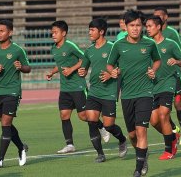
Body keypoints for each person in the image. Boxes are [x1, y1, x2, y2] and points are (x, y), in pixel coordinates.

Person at [106, 9, 161, 177]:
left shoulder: (149, 44)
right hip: (127, 95)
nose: (136, 28)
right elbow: (109, 64)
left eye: (138, 25)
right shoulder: (118, 45)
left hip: (145, 93)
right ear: (126, 27)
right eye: (132, 25)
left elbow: (157, 60)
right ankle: (142, 156)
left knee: (141, 131)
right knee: (132, 134)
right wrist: (113, 72)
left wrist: (153, 69)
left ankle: (138, 169)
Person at [45, 20, 109, 154]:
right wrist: (52, 72)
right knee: (64, 115)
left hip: (78, 86)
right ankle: (69, 144)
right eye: (52, 33)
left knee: (83, 116)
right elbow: (60, 63)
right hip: (65, 88)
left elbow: (83, 60)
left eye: (55, 32)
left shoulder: (70, 46)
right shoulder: (54, 48)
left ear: (64, 33)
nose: (53, 35)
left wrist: (71, 69)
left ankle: (101, 126)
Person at [0, 20, 31, 168]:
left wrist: (21, 67)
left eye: (2, 31)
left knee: (5, 123)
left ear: (10, 33)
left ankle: (0, 159)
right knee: (6, 125)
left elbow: (28, 68)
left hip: (13, 91)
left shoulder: (17, 50)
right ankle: (21, 147)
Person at [78, 18, 128, 163]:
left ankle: (122, 139)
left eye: (92, 30)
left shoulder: (113, 47)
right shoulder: (89, 50)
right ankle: (100, 154)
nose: (89, 33)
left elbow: (123, 66)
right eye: (89, 30)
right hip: (94, 92)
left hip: (109, 92)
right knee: (92, 121)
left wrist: (112, 73)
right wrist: (82, 71)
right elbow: (84, 67)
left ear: (101, 31)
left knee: (109, 125)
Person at [145, 15, 181, 160]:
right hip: (153, 86)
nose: (147, 29)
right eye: (147, 26)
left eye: (150, 26)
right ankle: (172, 136)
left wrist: (176, 61)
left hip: (168, 83)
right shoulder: (148, 46)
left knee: (164, 114)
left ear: (158, 26)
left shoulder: (170, 44)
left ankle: (169, 149)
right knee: (154, 121)